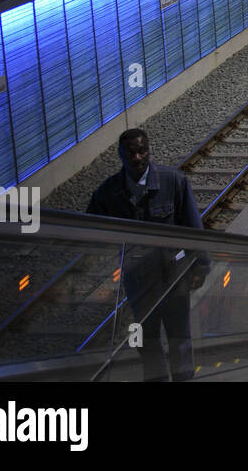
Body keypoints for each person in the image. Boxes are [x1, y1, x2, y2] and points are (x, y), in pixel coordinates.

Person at [87, 128, 209, 381]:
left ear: (149, 150)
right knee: (146, 336)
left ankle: (183, 378)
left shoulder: (173, 180)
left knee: (179, 334)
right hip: (138, 277)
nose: (138, 158)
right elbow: (91, 228)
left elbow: (193, 226)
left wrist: (200, 266)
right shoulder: (108, 192)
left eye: (142, 151)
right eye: (131, 152)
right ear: (121, 155)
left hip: (173, 273)